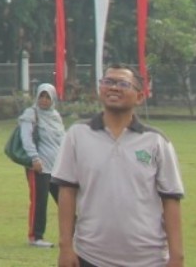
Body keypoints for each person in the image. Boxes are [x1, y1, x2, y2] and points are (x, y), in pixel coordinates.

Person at [52, 63, 184, 267]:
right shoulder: (78, 135)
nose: (114, 87)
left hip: (149, 258)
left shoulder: (155, 141)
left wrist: (177, 257)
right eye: (108, 82)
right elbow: (67, 191)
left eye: (123, 83)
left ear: (140, 97)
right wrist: (65, 247)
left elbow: (171, 199)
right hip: (91, 256)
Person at [18, 82, 65, 250]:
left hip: (57, 167)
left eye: (48, 97)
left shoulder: (55, 116)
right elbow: (26, 139)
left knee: (66, 200)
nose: (44, 100)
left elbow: (62, 139)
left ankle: (76, 234)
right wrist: (34, 158)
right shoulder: (31, 114)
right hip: (39, 166)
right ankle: (36, 236)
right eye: (41, 96)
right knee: (40, 201)